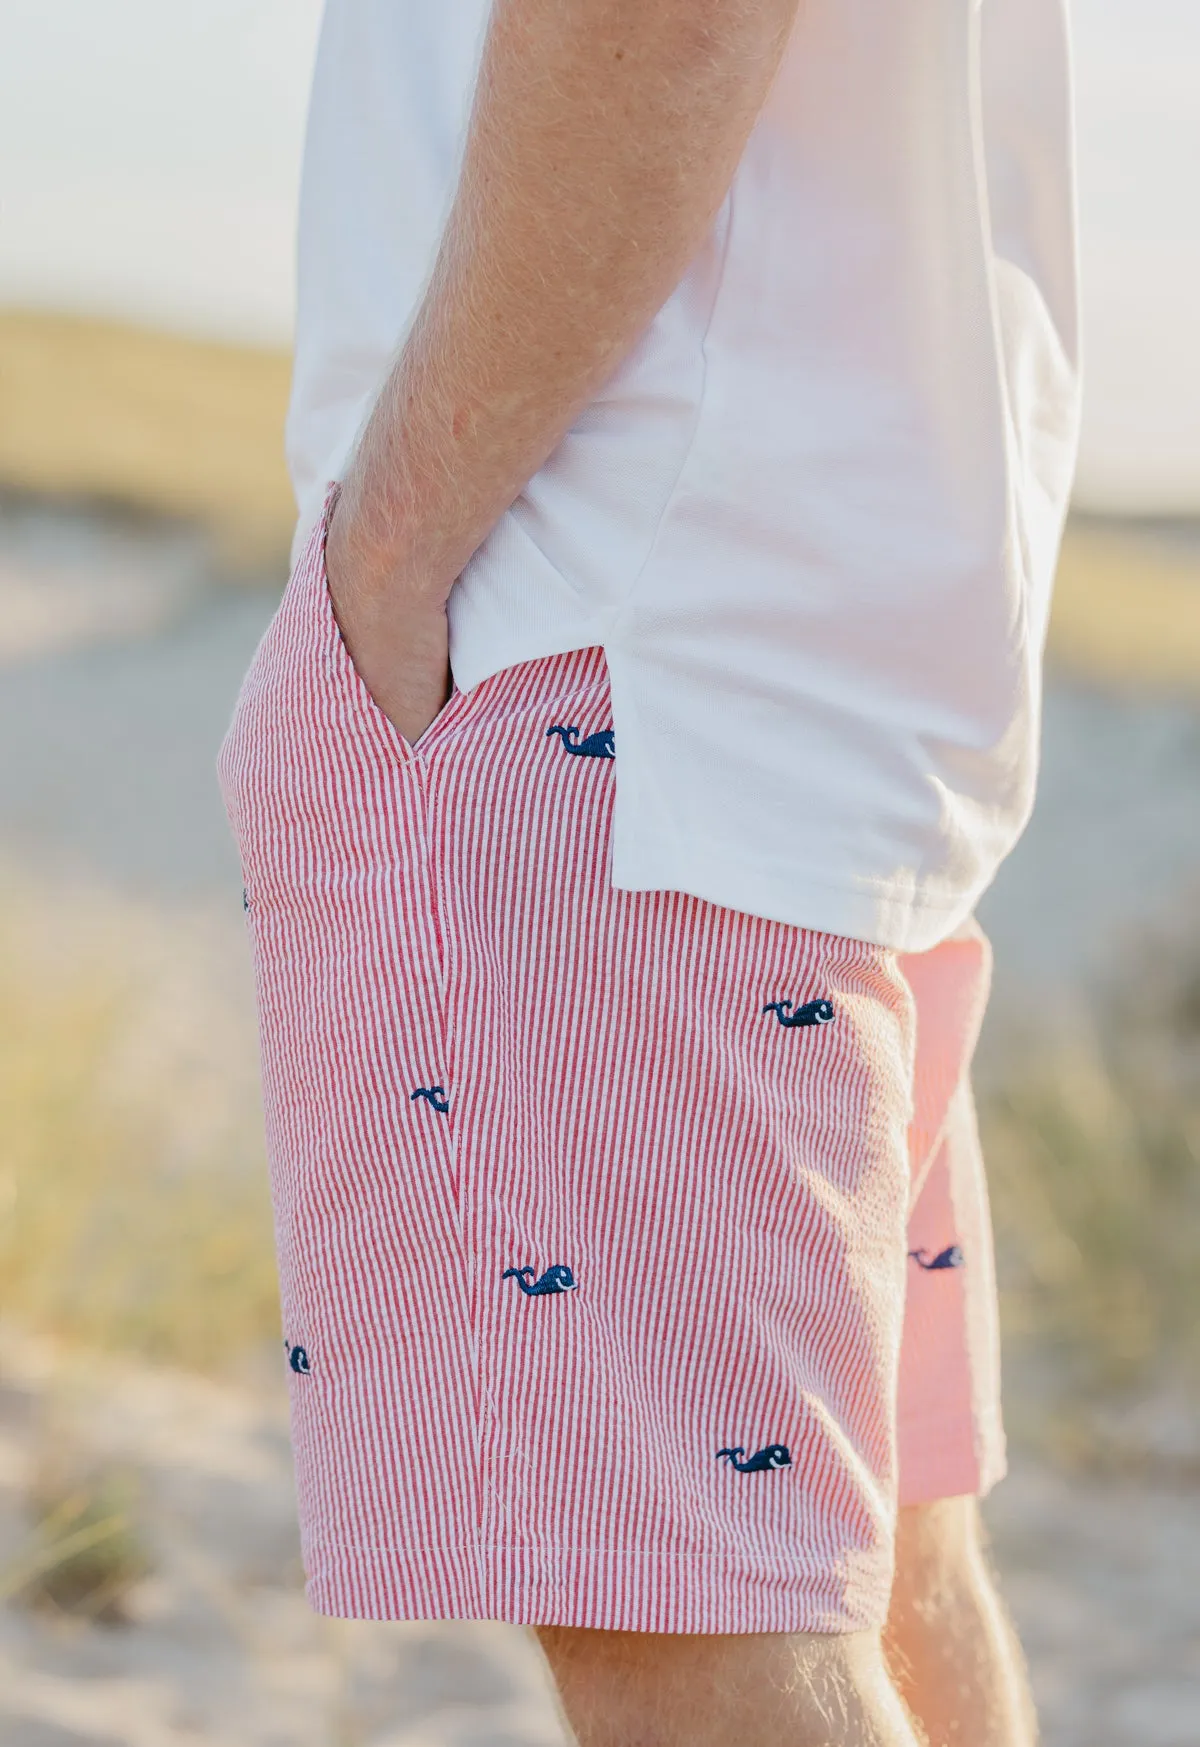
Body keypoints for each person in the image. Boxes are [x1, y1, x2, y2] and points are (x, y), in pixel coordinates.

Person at [218, 0, 1080, 1740]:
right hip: (795, 671)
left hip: (591, 665)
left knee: (688, 1624)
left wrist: (387, 562)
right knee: (875, 1567)